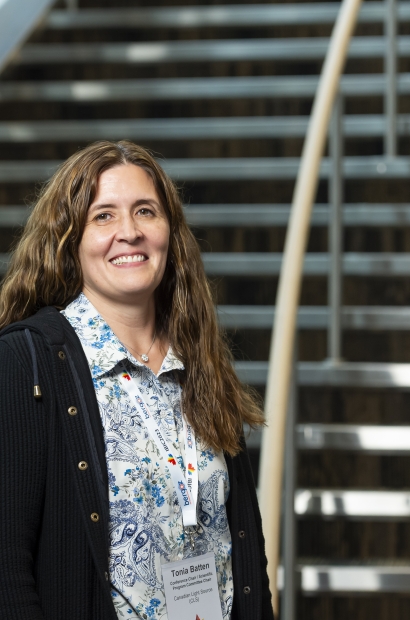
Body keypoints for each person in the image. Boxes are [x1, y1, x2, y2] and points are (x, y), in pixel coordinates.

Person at [0, 140, 274, 620]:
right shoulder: (26, 363)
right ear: (70, 239)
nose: (129, 232)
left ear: (170, 231)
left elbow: (245, 550)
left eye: (145, 211)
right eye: (103, 216)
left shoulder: (201, 364)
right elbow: (6, 570)